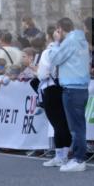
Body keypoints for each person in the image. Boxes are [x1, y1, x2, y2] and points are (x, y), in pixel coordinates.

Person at [47, 18, 90, 172]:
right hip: (82, 86)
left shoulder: (69, 41)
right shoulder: (81, 40)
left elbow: (53, 59)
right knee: (79, 125)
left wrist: (57, 42)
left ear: (59, 29)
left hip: (72, 87)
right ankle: (78, 157)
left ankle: (79, 159)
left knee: (76, 127)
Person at [36, 35, 72, 168]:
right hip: (67, 88)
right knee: (65, 123)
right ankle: (64, 155)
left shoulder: (48, 52)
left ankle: (60, 156)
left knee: (57, 124)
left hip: (51, 88)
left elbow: (42, 74)